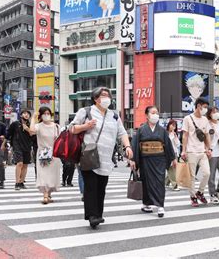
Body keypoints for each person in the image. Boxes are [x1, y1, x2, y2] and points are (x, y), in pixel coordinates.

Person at [70, 87, 133, 229]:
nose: (106, 98)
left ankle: (98, 214)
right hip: (89, 155)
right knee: (91, 186)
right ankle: (92, 216)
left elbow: (122, 133)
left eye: (108, 95)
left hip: (106, 158)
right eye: (103, 95)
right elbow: (71, 128)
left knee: (101, 187)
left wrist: (128, 147)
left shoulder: (114, 115)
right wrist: (85, 126)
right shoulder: (86, 112)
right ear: (95, 98)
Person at [131, 106, 175, 217]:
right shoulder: (141, 130)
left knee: (160, 182)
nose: (156, 115)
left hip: (159, 159)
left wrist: (173, 158)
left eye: (157, 112)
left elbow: (168, 145)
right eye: (153, 112)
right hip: (145, 160)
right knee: (146, 182)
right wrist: (133, 160)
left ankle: (160, 206)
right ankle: (147, 204)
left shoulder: (162, 131)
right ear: (147, 115)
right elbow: (135, 145)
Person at [181, 98, 212, 207]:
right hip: (191, 151)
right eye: (204, 107)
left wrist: (209, 149)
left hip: (202, 151)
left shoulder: (205, 120)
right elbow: (185, 135)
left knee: (207, 173)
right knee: (192, 176)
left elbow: (207, 135)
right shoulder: (187, 118)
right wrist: (183, 150)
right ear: (198, 106)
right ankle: (193, 197)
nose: (205, 109)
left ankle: (200, 192)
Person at [29, 107, 61, 204]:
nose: (46, 115)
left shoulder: (56, 126)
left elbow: (60, 140)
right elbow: (31, 131)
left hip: (54, 155)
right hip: (42, 154)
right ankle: (45, 195)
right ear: (41, 115)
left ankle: (49, 194)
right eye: (44, 113)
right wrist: (33, 118)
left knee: (52, 175)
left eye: (48, 113)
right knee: (43, 175)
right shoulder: (39, 126)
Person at [7, 109, 33, 190]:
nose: (26, 115)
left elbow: (33, 135)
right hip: (17, 146)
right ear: (21, 115)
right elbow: (8, 133)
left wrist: (28, 129)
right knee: (20, 163)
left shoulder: (30, 125)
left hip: (27, 146)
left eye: (28, 113)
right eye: (24, 113)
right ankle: (17, 182)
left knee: (25, 165)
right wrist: (9, 143)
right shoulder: (15, 123)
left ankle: (21, 182)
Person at [165, 120, 180, 191]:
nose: (173, 127)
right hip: (168, 154)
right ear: (169, 125)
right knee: (171, 169)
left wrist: (175, 137)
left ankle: (165, 182)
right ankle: (174, 185)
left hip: (175, 153)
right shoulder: (165, 133)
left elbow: (178, 144)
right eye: (172, 125)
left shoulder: (175, 134)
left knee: (173, 168)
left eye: (174, 125)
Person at [0, 120, 7, 189]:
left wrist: (3, 144)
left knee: (0, 164)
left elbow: (5, 136)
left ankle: (1, 182)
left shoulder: (1, 124)